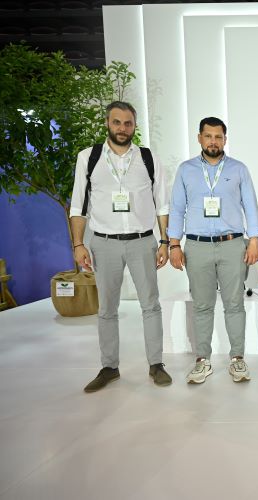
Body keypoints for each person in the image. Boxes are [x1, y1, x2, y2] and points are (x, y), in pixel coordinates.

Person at [70, 101, 172, 392]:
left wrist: (165, 241)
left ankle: (156, 364)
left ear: (134, 126)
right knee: (107, 309)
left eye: (128, 123)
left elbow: (162, 204)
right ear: (107, 123)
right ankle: (109, 367)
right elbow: (78, 205)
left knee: (150, 305)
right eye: (117, 122)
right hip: (104, 244)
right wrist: (78, 244)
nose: (122, 128)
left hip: (143, 242)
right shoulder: (88, 158)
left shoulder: (148, 158)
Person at [167, 117, 258, 384]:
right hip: (197, 246)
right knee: (202, 306)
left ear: (225, 139)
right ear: (199, 138)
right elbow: (177, 209)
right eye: (208, 136)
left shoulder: (238, 169)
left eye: (218, 137)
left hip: (232, 244)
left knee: (234, 304)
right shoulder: (186, 170)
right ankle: (203, 360)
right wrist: (174, 244)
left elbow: (250, 206)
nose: (213, 141)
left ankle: (237, 359)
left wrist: (254, 240)